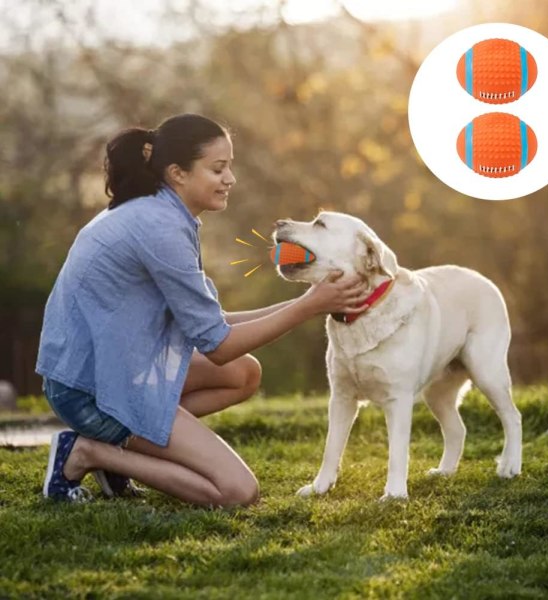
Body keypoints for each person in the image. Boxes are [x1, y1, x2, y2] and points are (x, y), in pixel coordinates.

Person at [36, 113, 370, 507]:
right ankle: (90, 452)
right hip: (92, 392)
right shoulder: (160, 228)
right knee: (237, 492)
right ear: (177, 173)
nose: (231, 178)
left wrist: (309, 303)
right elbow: (218, 345)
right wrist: (308, 306)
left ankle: (123, 450)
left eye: (230, 166)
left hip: (112, 370)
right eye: (218, 168)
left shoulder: (160, 213)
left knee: (243, 373)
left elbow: (212, 324)